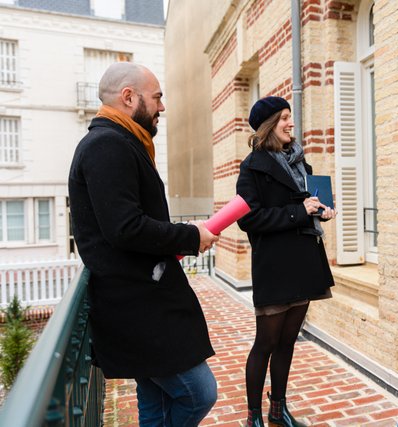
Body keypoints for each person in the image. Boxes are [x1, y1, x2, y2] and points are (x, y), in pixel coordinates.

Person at [68, 62, 218, 427]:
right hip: (138, 305)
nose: (162, 107)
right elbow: (126, 227)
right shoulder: (107, 144)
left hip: (139, 299)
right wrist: (190, 235)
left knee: (155, 400)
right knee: (199, 393)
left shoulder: (118, 141)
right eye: (157, 97)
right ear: (128, 97)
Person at [236, 96, 337, 427]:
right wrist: (299, 212)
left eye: (291, 117)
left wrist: (322, 211)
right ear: (268, 126)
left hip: (304, 260)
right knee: (266, 342)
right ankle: (253, 416)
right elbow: (248, 219)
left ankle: (278, 410)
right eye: (283, 118)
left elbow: (308, 203)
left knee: (288, 342)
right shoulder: (252, 167)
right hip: (275, 266)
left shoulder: (300, 163)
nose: (291, 123)